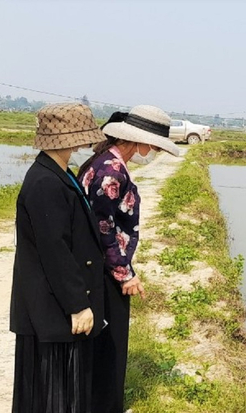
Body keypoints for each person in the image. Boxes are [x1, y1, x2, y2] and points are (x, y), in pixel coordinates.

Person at [77, 105, 179, 412]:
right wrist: (125, 273)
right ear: (141, 141)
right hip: (105, 270)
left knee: (103, 342)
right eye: (154, 143)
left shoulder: (104, 159)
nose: (153, 150)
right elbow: (103, 228)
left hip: (99, 265)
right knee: (112, 344)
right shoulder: (112, 170)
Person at [10, 103, 107, 413]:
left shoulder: (59, 173)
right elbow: (55, 251)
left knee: (62, 391)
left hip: (54, 304)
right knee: (52, 392)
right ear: (68, 138)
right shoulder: (45, 182)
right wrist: (78, 305)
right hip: (52, 307)